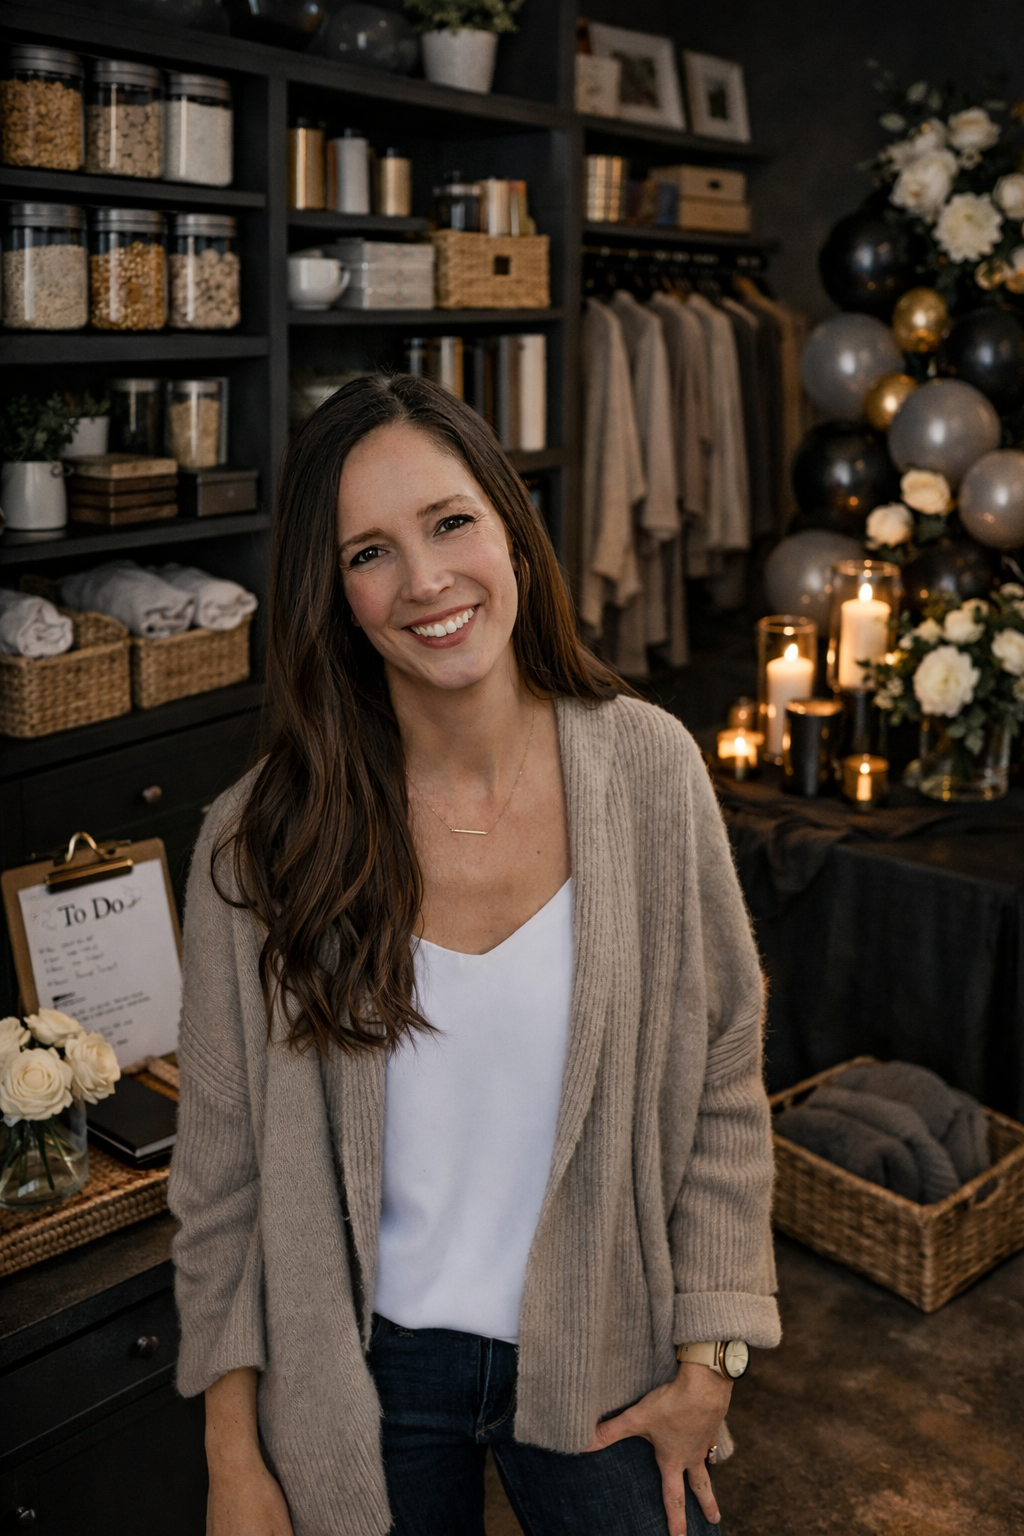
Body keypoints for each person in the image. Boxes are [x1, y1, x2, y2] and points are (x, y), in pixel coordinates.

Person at [168, 374, 780, 1536]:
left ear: (510, 526)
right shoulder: (257, 847)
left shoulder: (650, 771)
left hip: (611, 1353)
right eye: (369, 552)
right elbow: (220, 1183)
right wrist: (232, 1457)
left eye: (451, 522)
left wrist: (710, 1363)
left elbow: (722, 1080)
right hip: (360, 1381)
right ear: (332, 594)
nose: (426, 582)